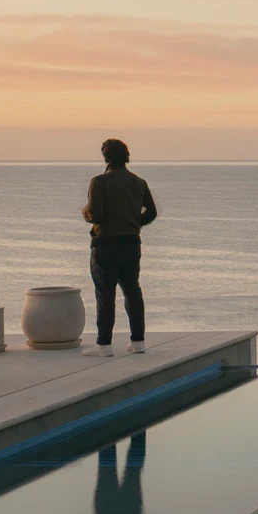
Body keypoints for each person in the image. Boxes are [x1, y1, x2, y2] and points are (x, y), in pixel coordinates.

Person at [81, 138, 157, 357]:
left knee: (105, 294)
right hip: (131, 243)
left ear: (105, 157)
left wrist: (85, 212)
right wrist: (134, 224)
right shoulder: (139, 182)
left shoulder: (99, 182)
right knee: (132, 291)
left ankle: (104, 344)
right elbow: (151, 212)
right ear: (126, 156)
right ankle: (138, 341)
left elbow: (95, 213)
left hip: (105, 244)